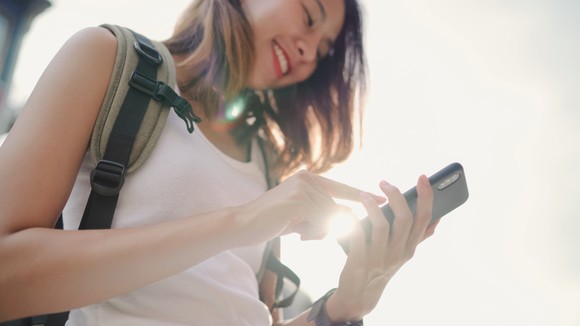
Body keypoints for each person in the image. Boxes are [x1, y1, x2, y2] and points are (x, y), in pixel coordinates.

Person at [0, 0, 439, 325]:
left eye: (322, 52)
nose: (309, 53)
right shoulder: (108, 57)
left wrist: (345, 305)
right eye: (309, 16)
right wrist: (240, 222)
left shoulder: (267, 167)